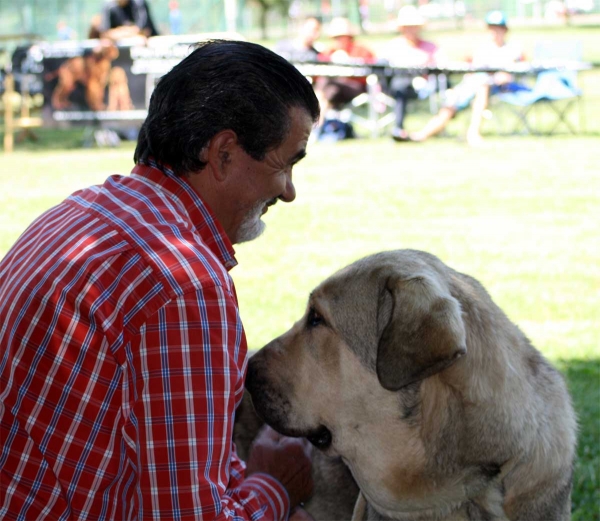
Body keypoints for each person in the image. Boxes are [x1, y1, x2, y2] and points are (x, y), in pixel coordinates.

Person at [0, 40, 320, 521]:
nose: (289, 191)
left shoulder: (79, 211)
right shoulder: (183, 285)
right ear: (225, 153)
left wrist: (238, 479)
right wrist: (275, 488)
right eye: (287, 162)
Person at [408, 10, 525, 145]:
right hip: (473, 84)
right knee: (453, 101)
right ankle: (422, 134)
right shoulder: (483, 49)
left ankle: (473, 133)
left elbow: (510, 73)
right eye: (491, 28)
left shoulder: (511, 49)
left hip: (497, 87)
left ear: (504, 30)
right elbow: (472, 70)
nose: (494, 31)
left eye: (497, 28)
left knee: (482, 87)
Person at [382, 6, 440, 141]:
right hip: (398, 87)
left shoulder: (430, 47)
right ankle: (398, 127)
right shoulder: (393, 46)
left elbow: (441, 64)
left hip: (426, 86)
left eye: (414, 26)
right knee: (400, 85)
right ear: (402, 28)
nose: (411, 30)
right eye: (407, 26)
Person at [313, 17, 376, 129]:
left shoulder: (361, 50)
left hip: (355, 87)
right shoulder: (329, 52)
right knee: (331, 87)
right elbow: (318, 70)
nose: (340, 40)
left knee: (329, 85)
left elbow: (370, 69)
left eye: (342, 36)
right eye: (337, 37)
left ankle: (316, 122)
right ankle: (319, 122)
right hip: (332, 90)